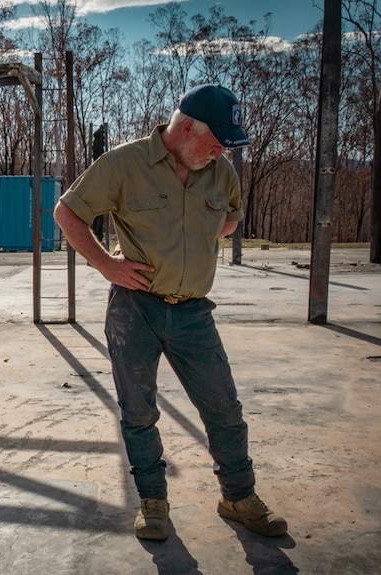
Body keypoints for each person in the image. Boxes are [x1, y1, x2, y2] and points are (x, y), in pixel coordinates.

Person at [53, 84, 287, 541]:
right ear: (185, 129)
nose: (220, 152)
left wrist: (190, 241)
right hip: (135, 309)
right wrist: (107, 265)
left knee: (224, 408)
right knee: (138, 411)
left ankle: (238, 496)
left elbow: (231, 219)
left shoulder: (220, 174)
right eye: (215, 142)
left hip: (194, 313)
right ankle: (153, 502)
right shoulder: (125, 163)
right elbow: (67, 212)